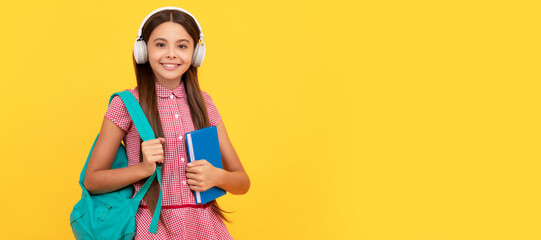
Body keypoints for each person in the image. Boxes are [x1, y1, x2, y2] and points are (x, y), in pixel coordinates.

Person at [83, 6, 250, 239]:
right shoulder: (126, 104)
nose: (171, 54)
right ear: (143, 50)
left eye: (182, 46)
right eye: (160, 44)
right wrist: (142, 169)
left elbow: (242, 182)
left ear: (195, 53)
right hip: (151, 228)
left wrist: (216, 176)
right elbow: (92, 180)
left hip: (205, 228)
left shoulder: (205, 104)